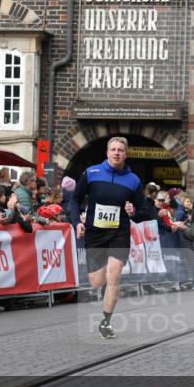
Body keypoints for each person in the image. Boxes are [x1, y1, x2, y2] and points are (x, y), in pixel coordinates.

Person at [68, 136, 149, 339]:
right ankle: (104, 285)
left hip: (119, 233)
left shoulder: (133, 180)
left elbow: (144, 211)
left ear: (126, 154)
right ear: (107, 153)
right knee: (96, 281)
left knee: (114, 275)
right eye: (113, 149)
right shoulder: (92, 173)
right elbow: (75, 200)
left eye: (120, 150)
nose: (116, 153)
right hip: (95, 233)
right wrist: (77, 222)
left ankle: (106, 322)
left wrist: (133, 212)